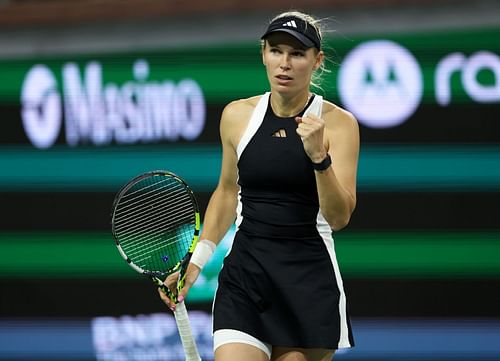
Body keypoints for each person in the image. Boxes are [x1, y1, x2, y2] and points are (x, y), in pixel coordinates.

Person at [159, 10, 359, 361]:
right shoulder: (237, 116)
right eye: (276, 51)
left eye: (297, 54)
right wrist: (195, 264)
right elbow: (225, 192)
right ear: (263, 53)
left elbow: (339, 216)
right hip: (246, 279)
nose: (285, 63)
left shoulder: (339, 125)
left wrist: (318, 158)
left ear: (317, 61)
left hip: (308, 282)